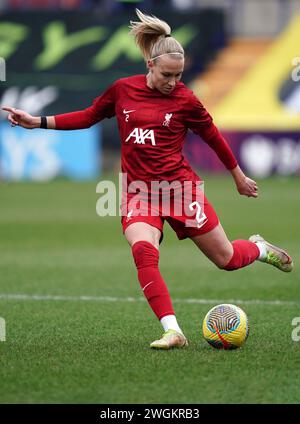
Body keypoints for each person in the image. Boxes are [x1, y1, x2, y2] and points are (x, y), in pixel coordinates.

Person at [3, 9, 293, 350]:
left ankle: (259, 249)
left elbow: (213, 136)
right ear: (150, 66)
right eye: (167, 74)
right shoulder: (122, 90)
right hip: (138, 191)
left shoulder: (186, 100)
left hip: (181, 190)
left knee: (226, 259)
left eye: (179, 75)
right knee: (143, 249)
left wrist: (238, 176)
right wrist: (38, 122)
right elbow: (88, 116)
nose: (173, 82)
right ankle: (173, 331)